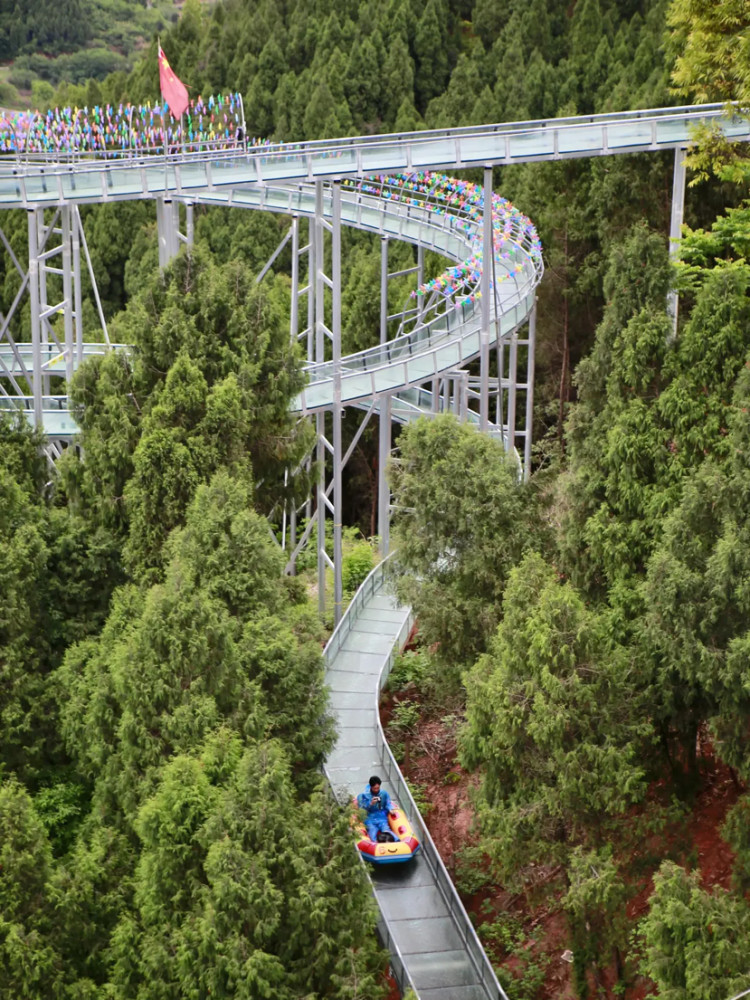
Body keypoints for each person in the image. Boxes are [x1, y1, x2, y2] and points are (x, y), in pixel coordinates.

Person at [357, 775, 397, 842]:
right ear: (371, 787)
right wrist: (370, 803)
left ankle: (396, 841)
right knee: (372, 832)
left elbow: (388, 803)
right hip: (369, 818)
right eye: (374, 788)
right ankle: (376, 845)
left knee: (386, 830)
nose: (376, 790)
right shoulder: (363, 795)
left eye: (378, 788)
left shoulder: (384, 793)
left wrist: (390, 809)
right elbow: (361, 809)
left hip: (381, 817)